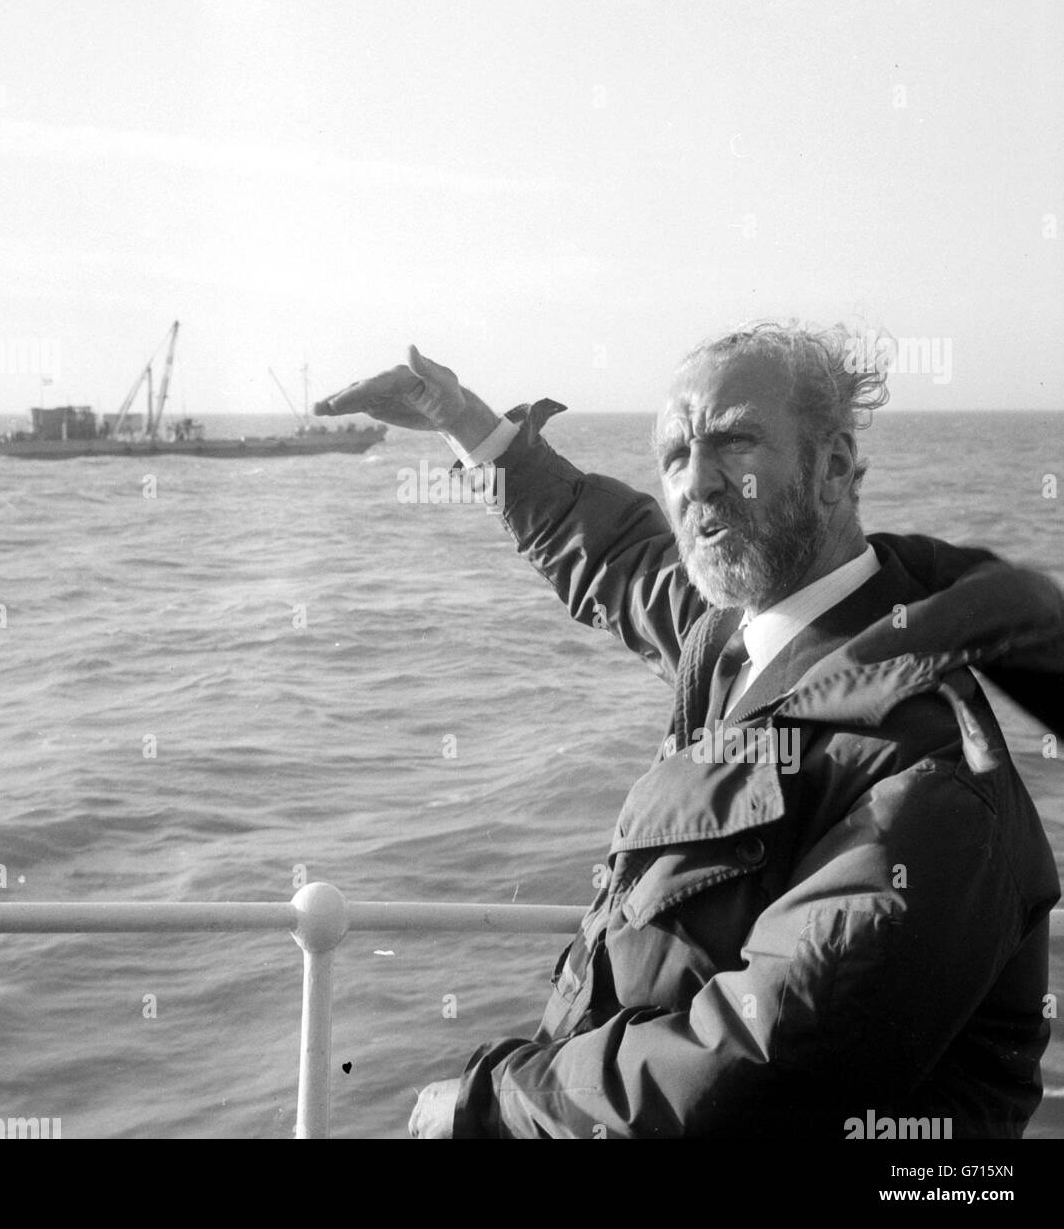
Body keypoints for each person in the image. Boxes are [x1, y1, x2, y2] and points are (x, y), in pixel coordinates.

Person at [315, 324, 1063, 1140]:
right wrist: (470, 426)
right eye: (673, 454)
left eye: (734, 440)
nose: (696, 482)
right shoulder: (734, 645)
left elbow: (754, 1064)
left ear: (836, 467)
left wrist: (489, 1105)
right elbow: (617, 557)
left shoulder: (925, 767)